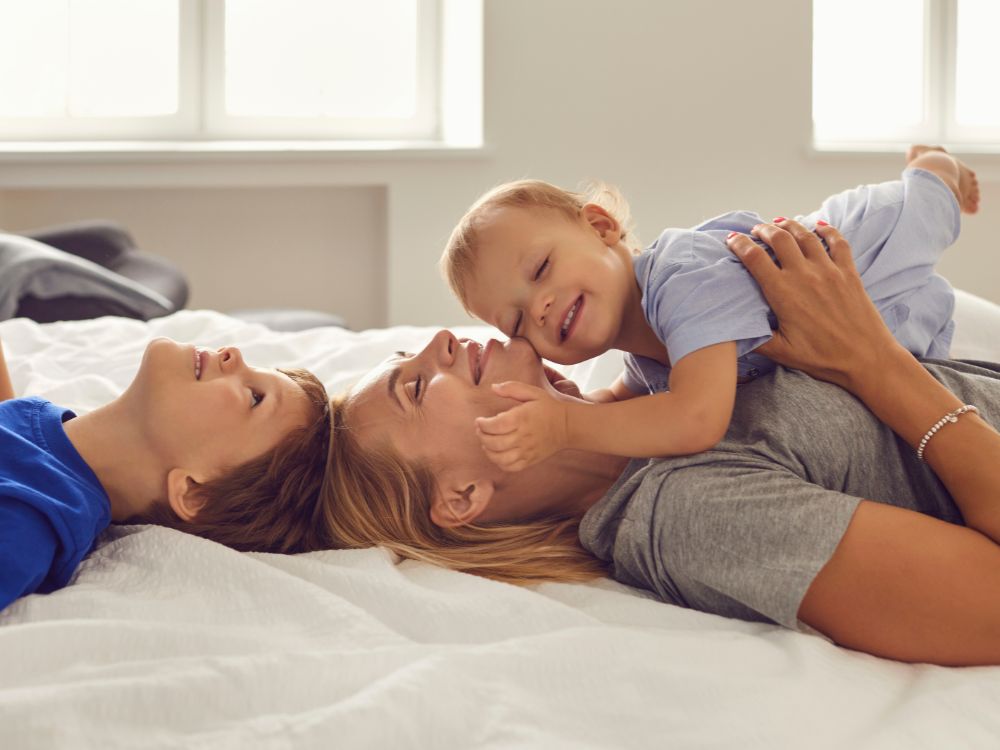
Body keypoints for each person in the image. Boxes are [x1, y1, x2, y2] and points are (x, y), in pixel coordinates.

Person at [323, 219, 1000, 666]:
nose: (442, 341)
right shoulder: (688, 515)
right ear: (464, 495)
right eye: (415, 388)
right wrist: (874, 364)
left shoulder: (648, 388)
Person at [439, 146, 982, 471]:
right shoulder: (648, 359)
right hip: (895, 324)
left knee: (929, 206)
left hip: (865, 245)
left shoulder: (682, 276)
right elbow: (616, 407)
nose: (539, 308)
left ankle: (934, 164)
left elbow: (695, 419)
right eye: (514, 321)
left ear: (601, 227)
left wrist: (562, 426)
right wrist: (551, 408)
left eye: (540, 271)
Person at [0, 337, 333, 612]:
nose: (235, 354)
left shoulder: (27, 524)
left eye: (254, 397)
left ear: (193, 493)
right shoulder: (37, 432)